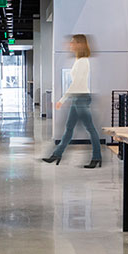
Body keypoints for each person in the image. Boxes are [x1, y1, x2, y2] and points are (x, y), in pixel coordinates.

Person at [42, 33, 103, 168]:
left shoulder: (83, 61)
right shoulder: (78, 60)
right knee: (69, 129)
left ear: (80, 44)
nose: (70, 44)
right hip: (77, 98)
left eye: (73, 42)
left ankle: (97, 157)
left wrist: (62, 99)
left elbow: (76, 83)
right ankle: (57, 154)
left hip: (81, 98)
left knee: (90, 128)